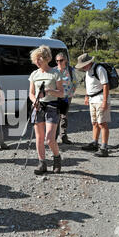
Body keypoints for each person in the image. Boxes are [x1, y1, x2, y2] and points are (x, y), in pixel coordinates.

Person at [28, 45, 64, 175]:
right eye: (35, 59)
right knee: (39, 137)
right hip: (39, 107)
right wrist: (34, 101)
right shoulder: (34, 74)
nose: (37, 62)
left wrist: (49, 91)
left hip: (52, 106)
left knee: (49, 138)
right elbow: (31, 93)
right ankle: (42, 163)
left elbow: (61, 93)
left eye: (40, 59)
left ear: (47, 58)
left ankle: (57, 158)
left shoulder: (55, 73)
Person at [76, 53, 111, 157]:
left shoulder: (99, 69)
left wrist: (104, 102)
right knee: (94, 123)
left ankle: (104, 147)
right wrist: (87, 96)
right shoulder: (88, 71)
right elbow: (89, 85)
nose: (82, 67)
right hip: (92, 100)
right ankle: (94, 143)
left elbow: (105, 85)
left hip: (100, 99)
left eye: (84, 65)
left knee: (102, 123)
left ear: (89, 62)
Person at [54, 52, 78, 144]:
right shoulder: (54, 70)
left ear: (66, 60)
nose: (59, 62)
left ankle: (64, 136)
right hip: (56, 97)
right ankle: (54, 138)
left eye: (61, 60)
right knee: (55, 117)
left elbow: (75, 83)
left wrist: (70, 94)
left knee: (64, 117)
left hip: (66, 97)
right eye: (57, 60)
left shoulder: (70, 70)